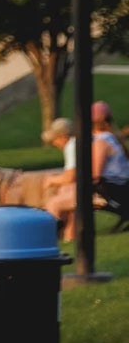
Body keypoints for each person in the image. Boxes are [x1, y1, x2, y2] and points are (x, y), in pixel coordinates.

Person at [42, 103, 129, 240]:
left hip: (112, 194)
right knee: (68, 194)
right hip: (118, 189)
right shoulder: (111, 138)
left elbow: (94, 176)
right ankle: (69, 238)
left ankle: (47, 240)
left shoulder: (100, 142)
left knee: (54, 203)